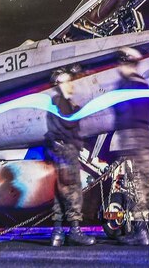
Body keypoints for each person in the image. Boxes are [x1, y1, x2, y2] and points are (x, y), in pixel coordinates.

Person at [113, 47, 149, 246]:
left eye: (120, 63)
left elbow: (123, 114)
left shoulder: (126, 86)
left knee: (133, 184)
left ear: (125, 63)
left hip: (131, 136)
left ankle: (140, 230)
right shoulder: (143, 84)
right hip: (145, 136)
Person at [46, 68, 96, 247]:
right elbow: (68, 123)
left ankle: (57, 234)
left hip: (59, 150)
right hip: (67, 151)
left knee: (61, 193)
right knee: (73, 191)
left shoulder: (54, 103)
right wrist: (77, 111)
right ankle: (74, 231)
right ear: (58, 85)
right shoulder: (62, 103)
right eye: (66, 82)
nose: (70, 85)